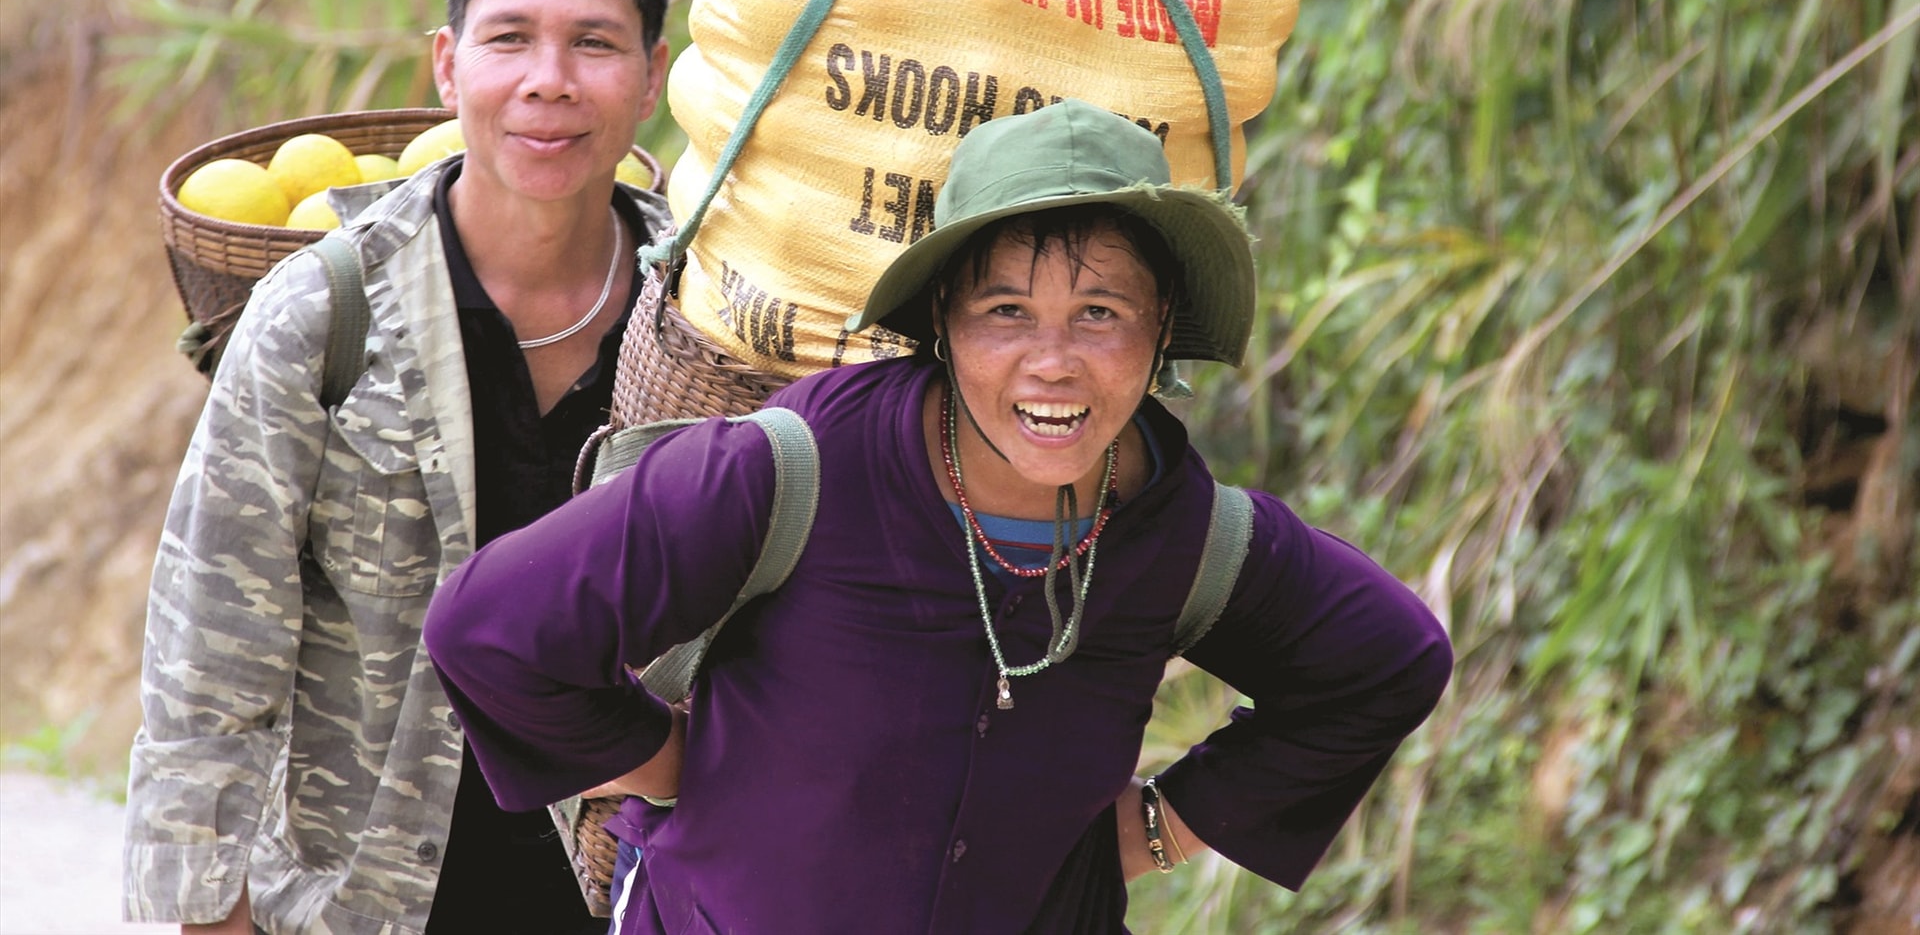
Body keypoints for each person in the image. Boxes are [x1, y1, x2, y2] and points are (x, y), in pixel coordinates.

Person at [423, 98, 1454, 933]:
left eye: (1101, 312)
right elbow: (489, 627)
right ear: (942, 327)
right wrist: (673, 763)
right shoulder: (793, 473)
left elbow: (1384, 661)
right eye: (1005, 311)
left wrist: (1158, 823)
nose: (1053, 361)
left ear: (1162, 331)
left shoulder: (1180, 532)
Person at [124, 0, 674, 934]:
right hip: (363, 902)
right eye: (509, 36)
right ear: (446, 63)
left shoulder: (699, 318)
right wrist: (210, 912)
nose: (548, 80)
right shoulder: (328, 310)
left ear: (653, 75)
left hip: (635, 899)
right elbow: (209, 647)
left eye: (595, 43)